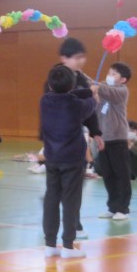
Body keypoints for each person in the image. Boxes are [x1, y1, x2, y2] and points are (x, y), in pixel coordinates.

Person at [41, 65, 99, 259]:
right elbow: (91, 104)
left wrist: (88, 91)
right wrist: (93, 95)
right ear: (73, 84)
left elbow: (71, 94)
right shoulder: (76, 105)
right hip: (72, 160)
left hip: (52, 158)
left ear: (50, 85)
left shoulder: (45, 100)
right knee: (71, 201)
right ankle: (68, 246)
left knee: (51, 199)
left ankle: (50, 244)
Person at [86, 63, 132, 221]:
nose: (109, 76)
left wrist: (85, 79)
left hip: (117, 139)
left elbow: (103, 89)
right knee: (108, 175)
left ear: (123, 79)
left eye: (114, 74)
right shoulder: (102, 88)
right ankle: (112, 207)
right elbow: (95, 88)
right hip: (103, 140)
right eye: (109, 73)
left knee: (121, 175)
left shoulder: (121, 91)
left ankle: (123, 209)